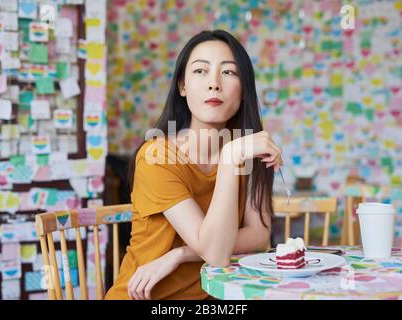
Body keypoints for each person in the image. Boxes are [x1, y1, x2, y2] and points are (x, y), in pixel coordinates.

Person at [105, 29, 283, 300]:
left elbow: (259, 237)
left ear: (244, 89)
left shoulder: (246, 149)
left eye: (229, 72)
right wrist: (230, 157)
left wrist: (180, 254)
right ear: (182, 86)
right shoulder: (158, 156)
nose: (214, 84)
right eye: (200, 71)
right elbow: (215, 253)